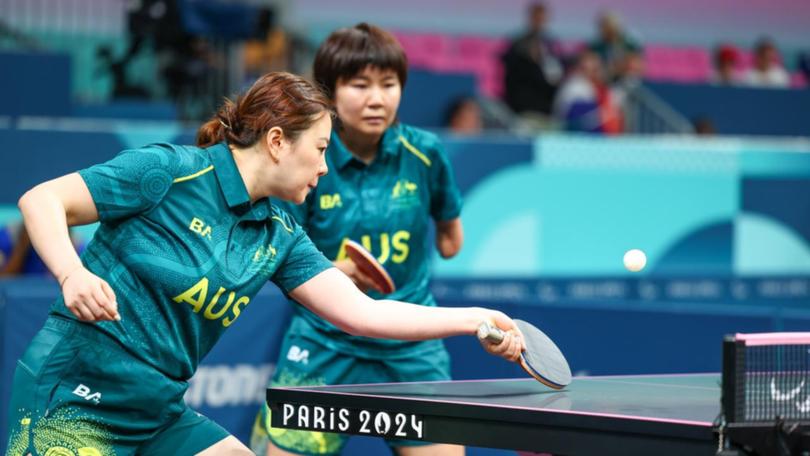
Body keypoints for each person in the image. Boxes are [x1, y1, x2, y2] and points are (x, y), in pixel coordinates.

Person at [4, 72, 523, 456]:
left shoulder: (280, 234)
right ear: (277, 142)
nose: (324, 166)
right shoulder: (169, 171)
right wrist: (72, 272)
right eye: (319, 149)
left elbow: (366, 314)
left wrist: (477, 319)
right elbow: (41, 199)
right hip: (75, 395)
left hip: (156, 408)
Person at [251, 24, 473, 456]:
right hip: (323, 342)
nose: (377, 98)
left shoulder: (425, 154)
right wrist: (335, 273)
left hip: (411, 349)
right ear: (330, 92)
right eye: (359, 84)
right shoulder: (308, 158)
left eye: (389, 84)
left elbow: (451, 242)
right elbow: (278, 262)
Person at [501, 1, 563, 116]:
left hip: (547, 104)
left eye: (542, 18)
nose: (540, 21)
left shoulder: (551, 44)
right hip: (523, 104)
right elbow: (509, 73)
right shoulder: (519, 43)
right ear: (530, 18)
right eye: (536, 17)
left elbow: (557, 72)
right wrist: (530, 60)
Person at [588, 11, 644, 84]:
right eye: (602, 27)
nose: (604, 30)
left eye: (607, 27)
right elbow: (591, 64)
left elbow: (637, 64)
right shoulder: (596, 46)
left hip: (626, 80)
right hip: (603, 79)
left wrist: (618, 68)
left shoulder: (629, 44)